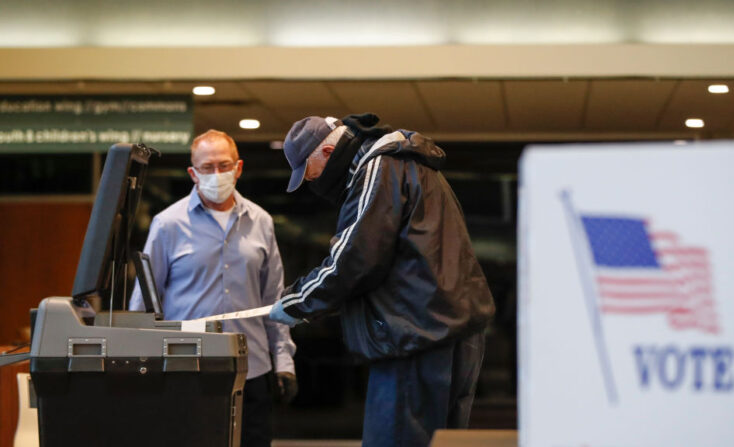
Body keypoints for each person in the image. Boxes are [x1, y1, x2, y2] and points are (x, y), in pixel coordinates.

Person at [268, 113, 495, 447]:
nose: (311, 181)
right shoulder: (414, 165)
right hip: (451, 328)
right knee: (441, 441)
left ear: (327, 153)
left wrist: (297, 301)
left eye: (308, 171)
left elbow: (355, 257)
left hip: (415, 334)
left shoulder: (379, 167)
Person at [129, 129, 297, 447]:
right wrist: (141, 366)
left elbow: (274, 301)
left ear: (239, 167)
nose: (216, 174)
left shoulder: (261, 222)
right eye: (207, 167)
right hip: (186, 372)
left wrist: (285, 362)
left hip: (252, 371)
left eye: (224, 165)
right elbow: (144, 303)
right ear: (193, 173)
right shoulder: (167, 225)